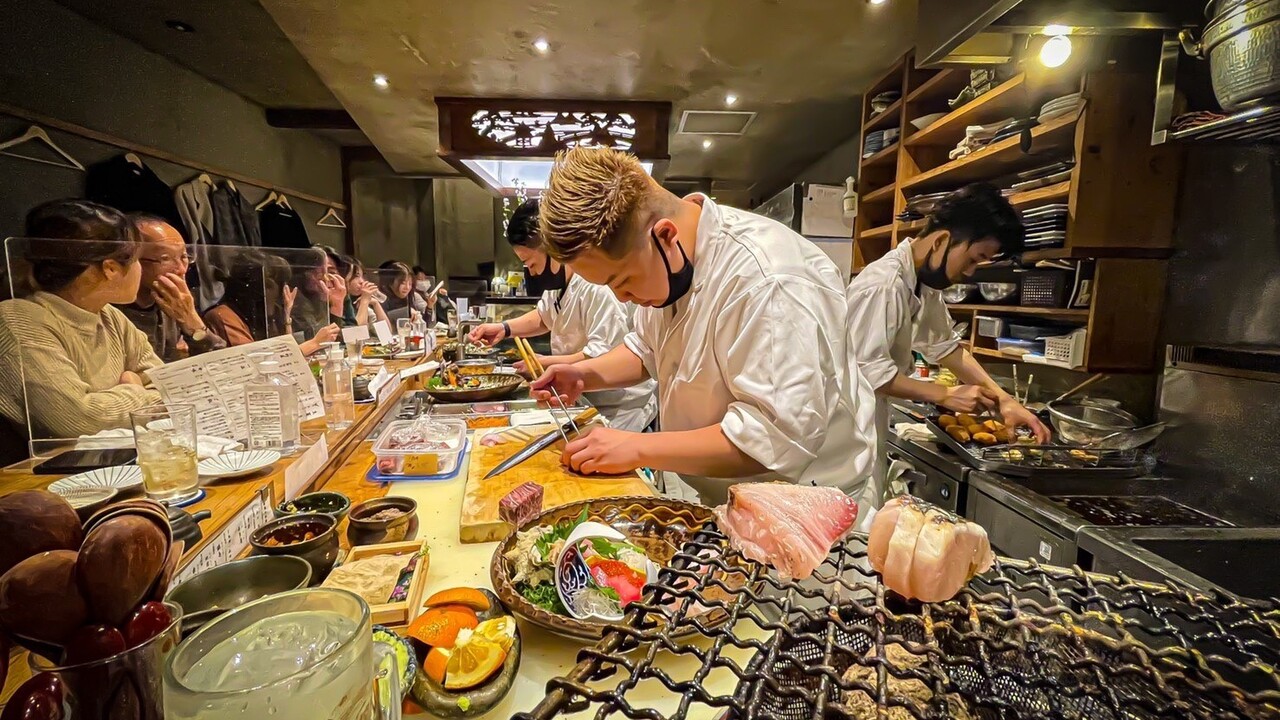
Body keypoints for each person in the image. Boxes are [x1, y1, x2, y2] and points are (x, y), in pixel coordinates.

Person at [530, 146, 875, 505]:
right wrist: (583, 375)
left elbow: (773, 438)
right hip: (725, 498)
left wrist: (636, 447)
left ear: (666, 235)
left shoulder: (770, 279)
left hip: (806, 505)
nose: (622, 298)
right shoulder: (669, 264)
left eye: (623, 281)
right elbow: (647, 349)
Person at [846, 183, 1051, 508]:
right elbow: (864, 371)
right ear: (941, 240)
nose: (969, 273)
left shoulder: (922, 283)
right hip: (846, 437)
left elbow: (945, 347)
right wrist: (944, 394)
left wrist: (1004, 400)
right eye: (973, 259)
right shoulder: (883, 285)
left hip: (868, 426)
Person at [469, 199, 658, 432]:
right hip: (583, 395)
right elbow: (544, 317)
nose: (531, 272)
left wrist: (543, 363)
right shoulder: (558, 284)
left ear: (554, 250)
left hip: (620, 407)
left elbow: (600, 354)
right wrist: (504, 328)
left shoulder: (596, 285)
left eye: (531, 263)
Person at [0, 200, 164, 438]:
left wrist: (123, 399)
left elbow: (168, 388)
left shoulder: (109, 315)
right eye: (137, 259)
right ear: (110, 268)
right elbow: (79, 420)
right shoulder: (19, 320)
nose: (139, 269)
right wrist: (134, 388)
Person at [116, 213, 226, 361]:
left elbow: (221, 362)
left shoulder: (173, 301)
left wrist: (191, 321)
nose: (181, 269)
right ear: (133, 261)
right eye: (165, 258)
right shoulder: (111, 310)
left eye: (184, 257)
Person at [204, 251, 339, 355]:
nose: (284, 292)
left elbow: (286, 350)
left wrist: (286, 317)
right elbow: (255, 361)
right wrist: (315, 343)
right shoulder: (224, 315)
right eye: (270, 285)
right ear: (255, 289)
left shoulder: (274, 312)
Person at [330, 252, 388, 328]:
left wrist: (376, 304)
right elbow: (357, 331)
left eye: (362, 276)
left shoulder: (359, 300)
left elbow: (386, 331)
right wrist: (365, 300)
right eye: (356, 276)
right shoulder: (337, 302)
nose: (362, 281)